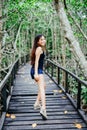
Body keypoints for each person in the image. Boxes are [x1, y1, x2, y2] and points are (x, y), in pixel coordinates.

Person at [30, 34, 47, 120]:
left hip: (38, 70)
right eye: (41, 40)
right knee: (42, 89)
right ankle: (43, 108)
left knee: (43, 86)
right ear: (38, 42)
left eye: (44, 39)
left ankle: (37, 103)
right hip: (37, 71)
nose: (43, 41)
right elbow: (36, 62)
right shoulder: (39, 49)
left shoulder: (40, 48)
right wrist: (36, 74)